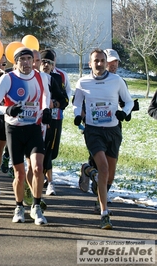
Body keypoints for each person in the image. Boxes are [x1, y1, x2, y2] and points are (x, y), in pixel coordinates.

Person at [73, 48, 133, 229]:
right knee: (104, 168)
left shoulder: (117, 81)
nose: (99, 64)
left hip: (113, 130)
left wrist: (124, 113)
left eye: (102, 60)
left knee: (109, 176)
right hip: (93, 131)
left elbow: (129, 101)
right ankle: (104, 213)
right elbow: (76, 102)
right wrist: (77, 115)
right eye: (95, 61)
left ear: (106, 63)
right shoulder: (83, 82)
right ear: (90, 63)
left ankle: (87, 170)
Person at [0, 47, 51, 226]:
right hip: (14, 129)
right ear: (15, 62)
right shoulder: (8, 78)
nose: (26, 62)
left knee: (38, 168)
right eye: (22, 59)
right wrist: (7, 109)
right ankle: (18, 207)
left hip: (33, 127)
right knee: (19, 173)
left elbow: (46, 95)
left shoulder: (41, 77)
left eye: (29, 59)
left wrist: (46, 109)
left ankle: (36, 205)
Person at [39, 50, 69, 196]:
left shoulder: (57, 78)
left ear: (53, 66)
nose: (45, 65)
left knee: (52, 151)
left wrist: (54, 104)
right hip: (38, 120)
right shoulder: (35, 78)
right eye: (43, 62)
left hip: (55, 119)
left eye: (49, 63)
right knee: (42, 151)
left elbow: (65, 100)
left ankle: (44, 175)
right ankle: (50, 182)